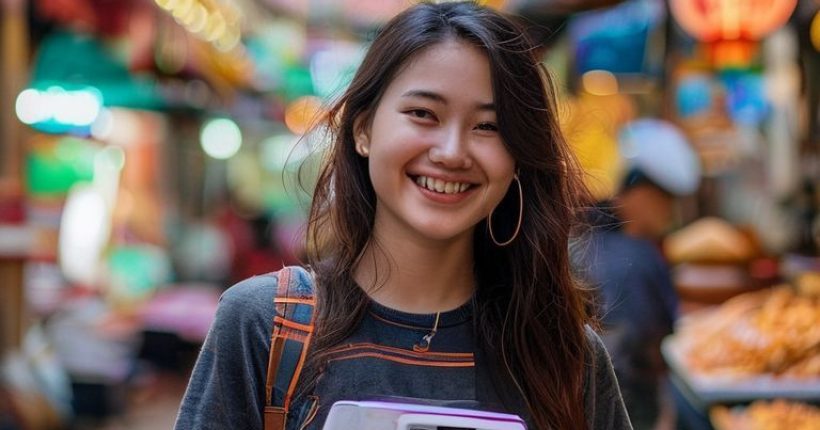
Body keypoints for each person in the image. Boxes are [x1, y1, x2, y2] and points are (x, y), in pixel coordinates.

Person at [175, 2, 631, 429]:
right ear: (364, 129)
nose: (451, 152)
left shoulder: (566, 357)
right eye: (423, 113)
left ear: (517, 159)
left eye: (488, 126)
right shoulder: (267, 326)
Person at [577, 119, 701, 429]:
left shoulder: (588, 236)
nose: (671, 212)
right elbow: (626, 360)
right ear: (641, 192)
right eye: (667, 200)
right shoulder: (632, 259)